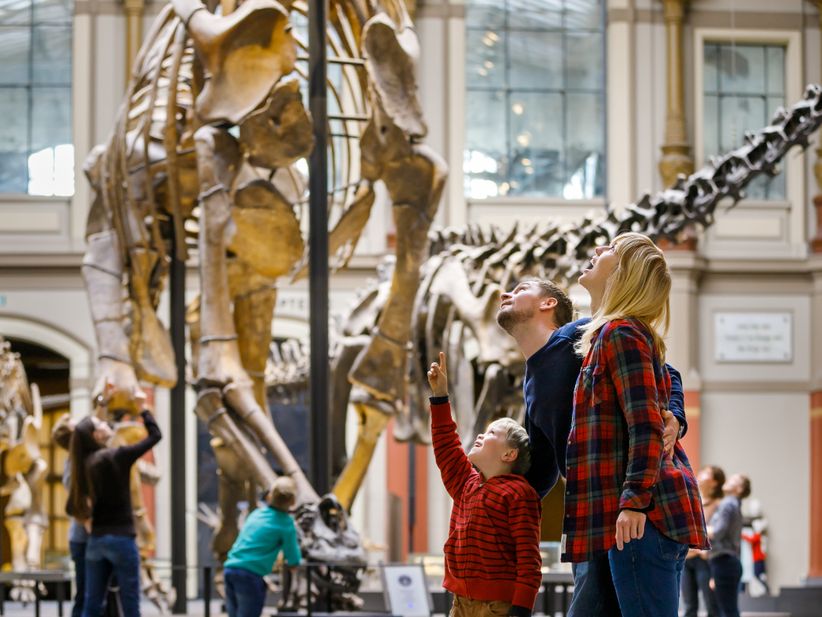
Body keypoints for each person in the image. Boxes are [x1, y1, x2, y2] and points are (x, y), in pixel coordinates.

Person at [495, 277, 688, 616]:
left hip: (627, 510)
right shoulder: (531, 380)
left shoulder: (580, 334)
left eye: (521, 289)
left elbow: (664, 369)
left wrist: (675, 414)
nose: (505, 294)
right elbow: (542, 471)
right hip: (590, 517)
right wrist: (492, 502)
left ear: (548, 304)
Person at [562, 232, 708, 617]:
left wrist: (634, 501)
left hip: (643, 515)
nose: (596, 249)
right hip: (626, 515)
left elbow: (644, 427)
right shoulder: (613, 334)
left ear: (625, 272)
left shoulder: (621, 333)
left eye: (609, 248)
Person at [427, 352, 541, 617]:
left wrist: (521, 609)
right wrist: (440, 397)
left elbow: (529, 559)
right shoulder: (466, 484)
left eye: (492, 433)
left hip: (496, 608)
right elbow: (446, 444)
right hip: (459, 603)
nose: (481, 434)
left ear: (509, 455)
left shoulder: (518, 494)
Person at [67, 390, 162, 617]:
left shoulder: (84, 465)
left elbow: (73, 506)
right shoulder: (117, 456)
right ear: (97, 435)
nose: (106, 424)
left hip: (97, 542)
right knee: (130, 606)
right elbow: (155, 435)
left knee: (92, 606)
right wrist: (142, 408)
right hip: (121, 539)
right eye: (101, 424)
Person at [223, 476, 302, 617]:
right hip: (250, 575)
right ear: (292, 501)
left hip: (230, 569)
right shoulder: (286, 523)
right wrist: (295, 564)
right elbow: (293, 558)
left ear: (270, 496)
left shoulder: (256, 514)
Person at [54, 415, 90, 617]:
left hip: (90, 536)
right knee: (85, 593)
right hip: (83, 537)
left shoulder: (82, 459)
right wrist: (87, 520)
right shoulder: (73, 464)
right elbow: (75, 501)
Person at [682, 466, 725, 617]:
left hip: (706, 560)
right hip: (687, 559)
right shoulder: (693, 499)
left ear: (715, 482)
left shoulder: (721, 505)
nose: (700, 474)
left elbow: (719, 533)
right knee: (688, 607)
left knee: (712, 606)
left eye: (706, 473)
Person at [709, 473, 751, 617]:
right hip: (728, 562)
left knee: (727, 611)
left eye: (734, 480)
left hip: (724, 561)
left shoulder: (728, 503)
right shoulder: (734, 504)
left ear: (739, 489)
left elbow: (718, 531)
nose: (729, 479)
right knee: (729, 609)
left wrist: (701, 530)